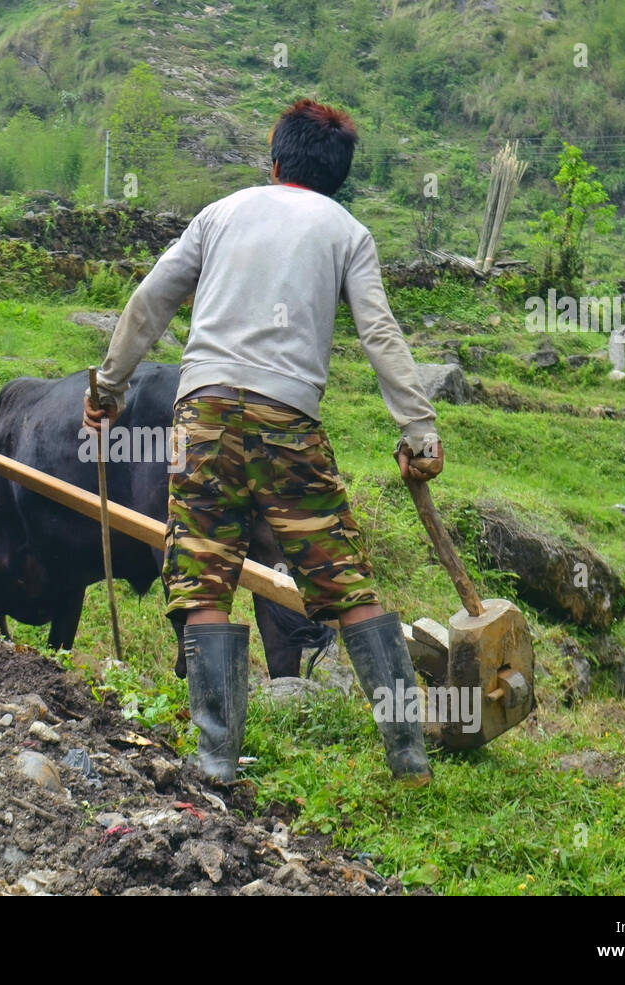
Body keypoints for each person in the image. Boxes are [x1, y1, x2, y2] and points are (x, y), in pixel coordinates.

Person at [83, 98, 443, 786]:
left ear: (274, 160)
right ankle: (409, 757)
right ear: (338, 177)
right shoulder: (347, 231)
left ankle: (216, 760)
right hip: (287, 422)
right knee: (345, 582)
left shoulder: (222, 212)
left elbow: (149, 301)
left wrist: (106, 389)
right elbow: (380, 333)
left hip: (204, 416)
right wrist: (418, 431)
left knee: (204, 578)